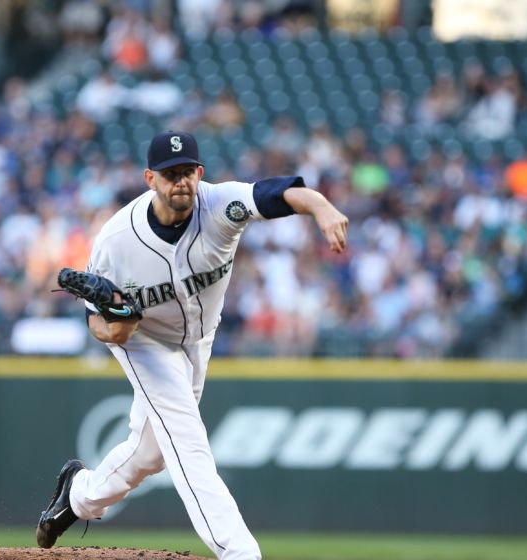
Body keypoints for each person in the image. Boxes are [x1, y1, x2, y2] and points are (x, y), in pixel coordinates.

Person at [35, 131, 349, 559]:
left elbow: (279, 194)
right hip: (144, 341)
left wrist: (322, 208)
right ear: (150, 179)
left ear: (200, 173)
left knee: (150, 454)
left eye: (187, 171)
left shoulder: (220, 204)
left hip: (199, 339)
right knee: (187, 441)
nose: (180, 181)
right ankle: (239, 552)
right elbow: (97, 324)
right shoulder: (116, 240)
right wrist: (118, 328)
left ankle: (80, 496)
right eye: (170, 174)